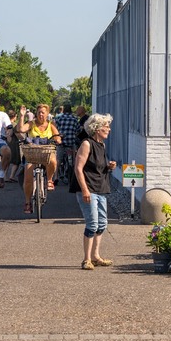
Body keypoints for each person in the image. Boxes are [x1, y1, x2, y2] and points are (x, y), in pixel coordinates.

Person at [72, 113, 116, 270]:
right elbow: (78, 168)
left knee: (102, 224)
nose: (109, 129)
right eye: (106, 126)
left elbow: (98, 166)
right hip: (89, 189)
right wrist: (84, 190)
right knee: (92, 224)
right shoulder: (86, 144)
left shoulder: (102, 145)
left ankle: (96, 256)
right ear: (97, 128)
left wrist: (109, 166)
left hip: (101, 188)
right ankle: (86, 259)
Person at [19, 103, 63, 214]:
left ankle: (49, 180)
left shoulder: (51, 125)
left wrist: (57, 139)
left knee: (53, 160)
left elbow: (57, 136)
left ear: (47, 114)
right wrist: (21, 116)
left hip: (47, 154)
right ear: (36, 114)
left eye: (43, 112)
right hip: (32, 154)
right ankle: (28, 202)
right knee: (28, 176)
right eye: (39, 112)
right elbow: (21, 129)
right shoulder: (31, 124)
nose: (41, 114)